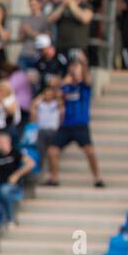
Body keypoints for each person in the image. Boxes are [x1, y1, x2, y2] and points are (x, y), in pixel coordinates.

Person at [46, 60, 103, 188]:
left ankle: (97, 178)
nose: (73, 72)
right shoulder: (66, 87)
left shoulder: (84, 86)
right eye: (72, 69)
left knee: (90, 152)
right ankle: (54, 178)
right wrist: (61, 84)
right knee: (52, 151)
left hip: (81, 125)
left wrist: (82, 66)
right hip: (66, 125)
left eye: (76, 69)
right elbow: (54, 95)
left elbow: (87, 78)